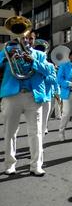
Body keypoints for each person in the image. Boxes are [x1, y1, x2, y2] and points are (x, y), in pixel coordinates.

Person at [0, 30, 54, 176]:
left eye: (30, 39)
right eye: (23, 38)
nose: (26, 41)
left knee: (35, 132)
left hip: (33, 96)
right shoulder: (7, 51)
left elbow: (49, 71)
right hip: (12, 96)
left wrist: (33, 62)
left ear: (34, 40)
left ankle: (36, 165)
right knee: (10, 132)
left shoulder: (40, 54)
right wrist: (6, 59)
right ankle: (10, 164)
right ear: (18, 38)